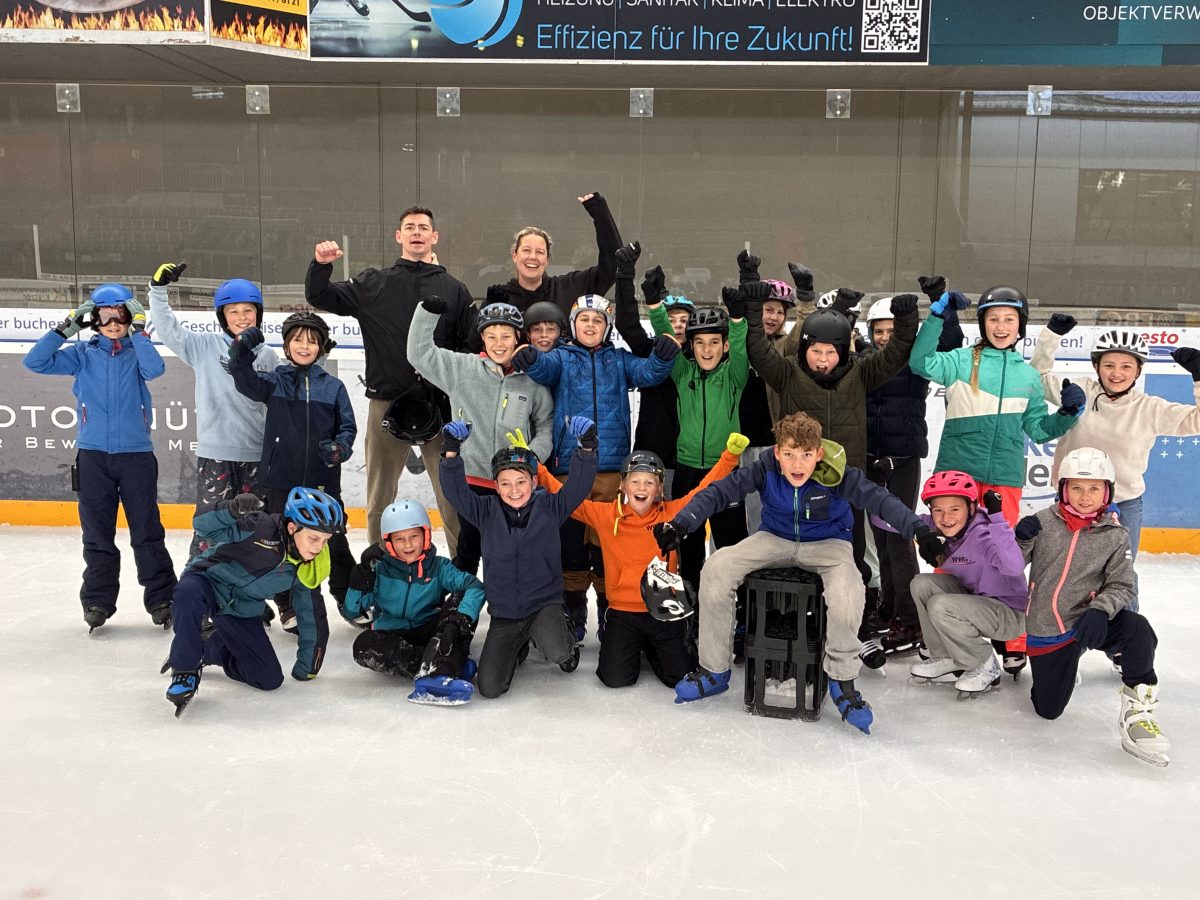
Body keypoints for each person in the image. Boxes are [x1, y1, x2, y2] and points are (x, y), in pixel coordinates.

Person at [653, 413, 943, 734]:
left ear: (818, 454)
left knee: (848, 591)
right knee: (718, 567)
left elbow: (880, 500)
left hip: (829, 544)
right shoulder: (765, 468)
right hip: (774, 539)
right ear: (777, 452)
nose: (797, 464)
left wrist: (920, 530)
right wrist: (680, 523)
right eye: (789, 453)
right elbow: (720, 492)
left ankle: (842, 681)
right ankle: (714, 670)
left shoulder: (837, 473)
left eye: (805, 454)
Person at [741, 269, 921, 663]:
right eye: (815, 351)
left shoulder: (860, 373)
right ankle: (791, 626)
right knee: (792, 556)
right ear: (804, 348)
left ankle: (852, 630)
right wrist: (754, 309)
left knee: (850, 557)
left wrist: (907, 323)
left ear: (843, 351)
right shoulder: (787, 374)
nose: (823, 360)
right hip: (794, 485)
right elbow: (757, 349)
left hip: (844, 484)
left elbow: (894, 356)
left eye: (831, 352)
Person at [908, 284, 1085, 678]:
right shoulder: (961, 361)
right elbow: (920, 362)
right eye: (993, 318)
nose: (1001, 326)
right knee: (950, 557)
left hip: (1003, 478)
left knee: (1005, 561)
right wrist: (936, 317)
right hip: (957, 475)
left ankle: (1011, 641)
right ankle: (949, 641)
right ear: (982, 323)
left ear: (1020, 325)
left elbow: (1038, 429)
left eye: (1009, 319)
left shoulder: (1027, 377)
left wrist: (1068, 415)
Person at [511, 259, 678, 642]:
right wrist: (530, 358)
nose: (590, 325)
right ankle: (572, 613)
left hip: (610, 470)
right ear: (573, 326)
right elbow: (541, 370)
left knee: (608, 546)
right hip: (571, 469)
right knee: (571, 545)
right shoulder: (561, 359)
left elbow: (649, 373)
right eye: (583, 320)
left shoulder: (617, 360)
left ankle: (609, 612)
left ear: (606, 328)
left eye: (597, 321)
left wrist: (664, 354)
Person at [306, 205, 475, 554]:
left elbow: (467, 348)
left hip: (440, 405)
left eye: (423, 227)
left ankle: (463, 574)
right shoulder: (374, 283)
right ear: (399, 236)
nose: (417, 232)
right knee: (379, 498)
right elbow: (320, 296)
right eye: (409, 227)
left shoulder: (455, 289)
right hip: (387, 401)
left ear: (434, 237)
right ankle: (378, 568)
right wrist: (321, 266)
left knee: (452, 498)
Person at [537, 434, 750, 689]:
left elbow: (704, 490)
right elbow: (565, 497)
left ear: (659, 489)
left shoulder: (672, 514)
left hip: (665, 610)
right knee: (615, 679)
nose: (641, 488)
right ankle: (636, 645)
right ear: (623, 486)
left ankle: (654, 648)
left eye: (649, 482)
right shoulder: (606, 515)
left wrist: (729, 457)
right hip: (623, 613)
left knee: (679, 677)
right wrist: (537, 467)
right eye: (635, 481)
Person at [23, 284, 177, 632]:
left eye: (120, 315)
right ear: (93, 319)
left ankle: (162, 598)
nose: (112, 322)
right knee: (96, 535)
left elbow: (155, 371)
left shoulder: (137, 352)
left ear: (130, 317)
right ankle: (97, 600)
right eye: (104, 315)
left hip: (136, 457)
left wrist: (140, 333)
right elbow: (35, 361)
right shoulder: (82, 354)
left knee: (147, 532)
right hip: (93, 458)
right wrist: (66, 328)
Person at [1031, 318, 1200, 610]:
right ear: (1097, 367)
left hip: (1123, 504)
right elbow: (1036, 378)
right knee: (1063, 572)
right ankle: (1065, 638)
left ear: (1138, 371)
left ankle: (1124, 641)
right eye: (1109, 365)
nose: (1117, 373)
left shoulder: (1149, 408)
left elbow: (1196, 420)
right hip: (1070, 501)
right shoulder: (1079, 391)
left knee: (1120, 577)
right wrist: (1051, 336)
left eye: (1126, 366)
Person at [1015, 447, 1168, 767]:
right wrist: (1021, 540)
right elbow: (1011, 567)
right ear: (1063, 490)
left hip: (1089, 620)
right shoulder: (1042, 522)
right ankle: (1067, 664)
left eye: (1094, 488)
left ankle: (1138, 713)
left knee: (1138, 630)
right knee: (1048, 711)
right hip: (1048, 629)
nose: (1085, 496)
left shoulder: (1115, 534)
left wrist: (1100, 609)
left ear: (1107, 491)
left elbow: (1123, 583)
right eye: (1077, 488)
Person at [439, 416, 599, 698]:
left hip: (543, 606)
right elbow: (456, 492)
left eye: (521, 482)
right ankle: (519, 643)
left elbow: (578, 487)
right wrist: (451, 452)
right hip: (505, 615)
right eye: (506, 483)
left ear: (534, 481)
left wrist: (586, 448)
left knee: (558, 652)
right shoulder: (485, 512)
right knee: (489, 688)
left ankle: (559, 633)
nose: (514, 490)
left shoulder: (551, 507)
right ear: (495, 485)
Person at [162, 487, 342, 716]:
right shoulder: (259, 527)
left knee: (269, 678)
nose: (319, 547)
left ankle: (208, 648)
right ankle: (184, 670)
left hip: (241, 610)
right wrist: (231, 510)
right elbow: (202, 525)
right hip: (208, 582)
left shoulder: (308, 566)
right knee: (187, 592)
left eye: (325, 541)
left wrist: (308, 667)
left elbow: (311, 614)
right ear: (292, 527)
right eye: (314, 538)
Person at [226, 311, 357, 626]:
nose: (304, 346)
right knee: (282, 544)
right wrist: (241, 352)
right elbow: (245, 382)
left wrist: (340, 448)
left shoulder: (334, 387)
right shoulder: (276, 381)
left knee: (335, 542)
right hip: (280, 481)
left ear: (322, 347)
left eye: (312, 341)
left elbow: (348, 429)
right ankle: (287, 605)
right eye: (298, 340)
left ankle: (351, 598)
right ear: (286, 346)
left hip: (323, 482)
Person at [407, 298, 554, 576]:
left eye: (506, 336)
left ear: (517, 338)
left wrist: (533, 455)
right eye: (491, 336)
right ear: (482, 338)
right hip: (473, 480)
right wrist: (427, 313)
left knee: (512, 552)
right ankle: (463, 607)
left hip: (515, 485)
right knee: (469, 548)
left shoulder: (532, 379)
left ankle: (513, 608)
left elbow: (545, 424)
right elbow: (420, 354)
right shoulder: (463, 369)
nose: (499, 343)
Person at [147, 263, 280, 559]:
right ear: (223, 317)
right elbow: (168, 329)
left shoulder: (269, 356)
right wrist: (157, 290)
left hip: (256, 455)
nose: (242, 318)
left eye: (248, 311)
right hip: (216, 455)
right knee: (210, 526)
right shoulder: (204, 346)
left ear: (258, 314)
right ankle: (198, 594)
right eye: (233, 312)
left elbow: (284, 399)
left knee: (253, 528)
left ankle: (248, 594)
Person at [862, 278, 965, 654]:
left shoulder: (915, 363)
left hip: (902, 461)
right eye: (879, 331)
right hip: (872, 462)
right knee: (883, 543)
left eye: (892, 329)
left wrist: (943, 303)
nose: (886, 337)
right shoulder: (865, 361)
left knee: (900, 539)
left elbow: (951, 345)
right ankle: (890, 607)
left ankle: (910, 620)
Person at [646, 262, 751, 596]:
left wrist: (737, 319)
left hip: (726, 470)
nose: (707, 349)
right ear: (690, 345)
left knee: (731, 545)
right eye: (700, 343)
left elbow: (741, 347)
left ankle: (739, 607)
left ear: (723, 346)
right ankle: (689, 600)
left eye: (714, 343)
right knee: (687, 544)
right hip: (689, 469)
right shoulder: (682, 372)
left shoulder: (734, 376)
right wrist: (653, 304)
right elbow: (665, 334)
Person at [342, 498, 485, 704]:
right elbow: (352, 612)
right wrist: (358, 583)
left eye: (414, 536)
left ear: (425, 535)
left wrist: (459, 619)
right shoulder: (379, 570)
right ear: (389, 542)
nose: (408, 544)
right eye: (399, 539)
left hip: (429, 629)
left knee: (460, 600)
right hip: (393, 634)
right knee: (363, 646)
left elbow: (474, 586)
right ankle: (444, 666)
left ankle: (442, 663)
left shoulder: (438, 566)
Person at [907, 471, 1028, 696]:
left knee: (941, 604)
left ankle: (984, 664)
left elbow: (1013, 567)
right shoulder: (935, 527)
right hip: (975, 604)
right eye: (938, 510)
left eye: (955, 509)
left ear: (971, 509)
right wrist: (881, 486)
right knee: (921, 583)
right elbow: (884, 520)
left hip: (1008, 615)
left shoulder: (983, 535)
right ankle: (945, 655)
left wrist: (998, 517)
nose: (946, 518)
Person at [486, 192, 622, 318]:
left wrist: (600, 213)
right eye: (526, 250)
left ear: (547, 259)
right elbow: (475, 341)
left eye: (540, 252)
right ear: (514, 255)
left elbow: (613, 265)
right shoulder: (499, 298)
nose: (532, 257)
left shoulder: (569, 288)